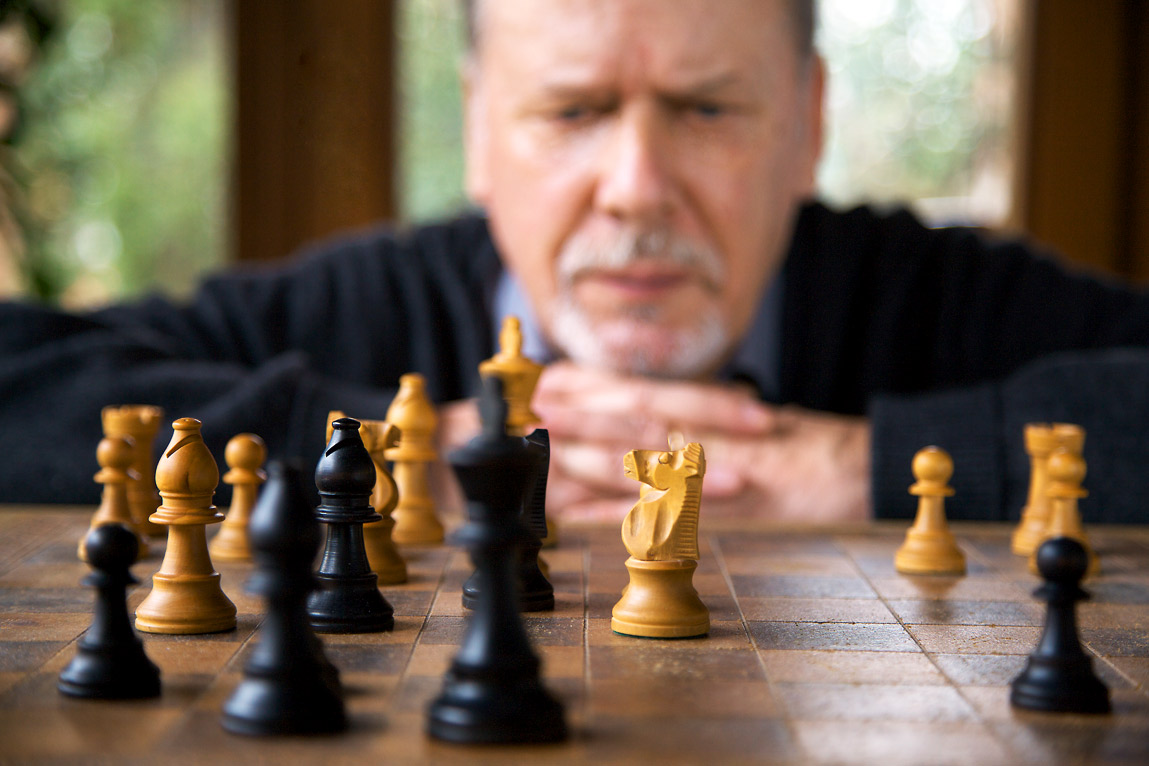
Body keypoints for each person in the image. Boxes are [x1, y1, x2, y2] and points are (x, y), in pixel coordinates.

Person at [2, 0, 1149, 525]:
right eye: (573, 109)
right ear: (479, 132)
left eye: (705, 108)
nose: (638, 185)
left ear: (807, 123)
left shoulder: (933, 291)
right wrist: (406, 454)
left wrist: (872, 467)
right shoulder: (363, 304)